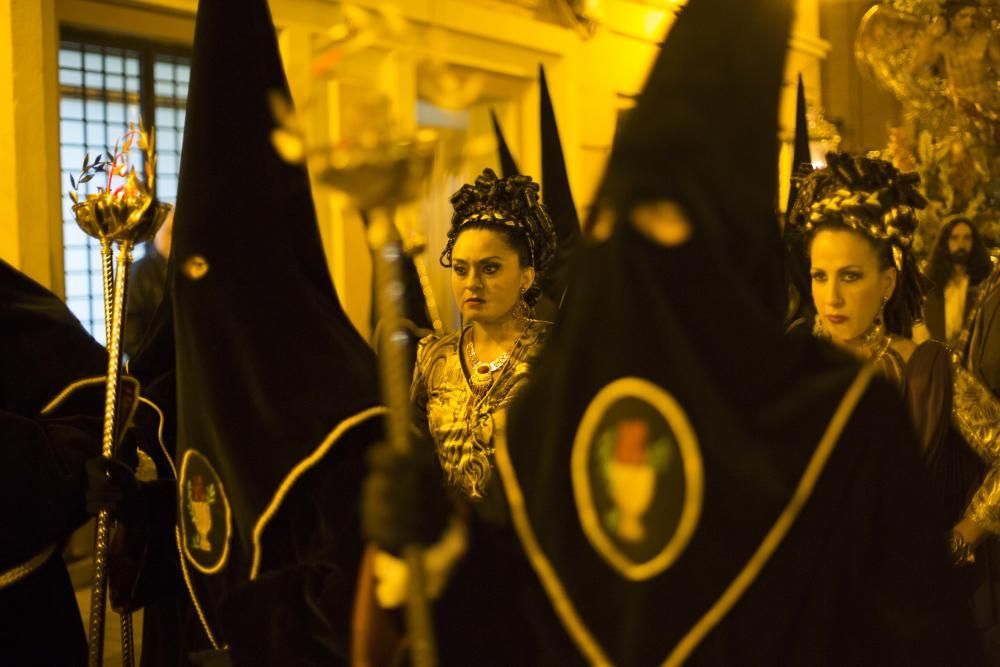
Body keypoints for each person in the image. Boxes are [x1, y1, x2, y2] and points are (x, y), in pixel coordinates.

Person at [788, 151, 1000, 658]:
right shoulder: (788, 364)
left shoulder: (931, 370)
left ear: (886, 284)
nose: (831, 297)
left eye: (851, 276)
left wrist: (958, 539)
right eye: (820, 276)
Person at [922, 215, 994, 345]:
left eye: (967, 238)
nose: (961, 244)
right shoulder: (932, 285)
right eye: (954, 238)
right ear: (945, 242)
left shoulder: (985, 283)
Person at [125, 207, 172, 357]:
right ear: (157, 233)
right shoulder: (137, 272)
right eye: (171, 232)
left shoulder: (189, 270)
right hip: (149, 365)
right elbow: (128, 333)